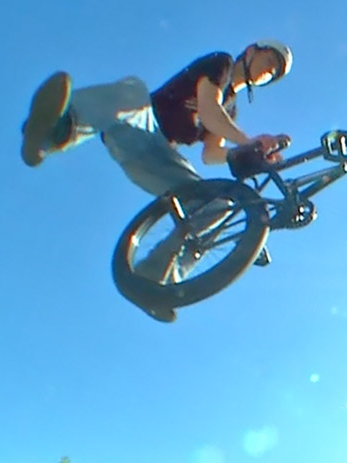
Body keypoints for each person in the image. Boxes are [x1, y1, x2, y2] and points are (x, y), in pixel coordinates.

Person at [19, 40, 294, 322]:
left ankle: (155, 282)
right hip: (138, 128)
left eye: (274, 73)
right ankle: (57, 128)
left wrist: (249, 154)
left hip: (158, 159)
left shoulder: (231, 109)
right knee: (134, 90)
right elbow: (210, 112)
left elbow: (211, 155)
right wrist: (249, 141)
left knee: (217, 205)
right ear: (250, 51)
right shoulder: (220, 64)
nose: (269, 72)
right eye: (269, 61)